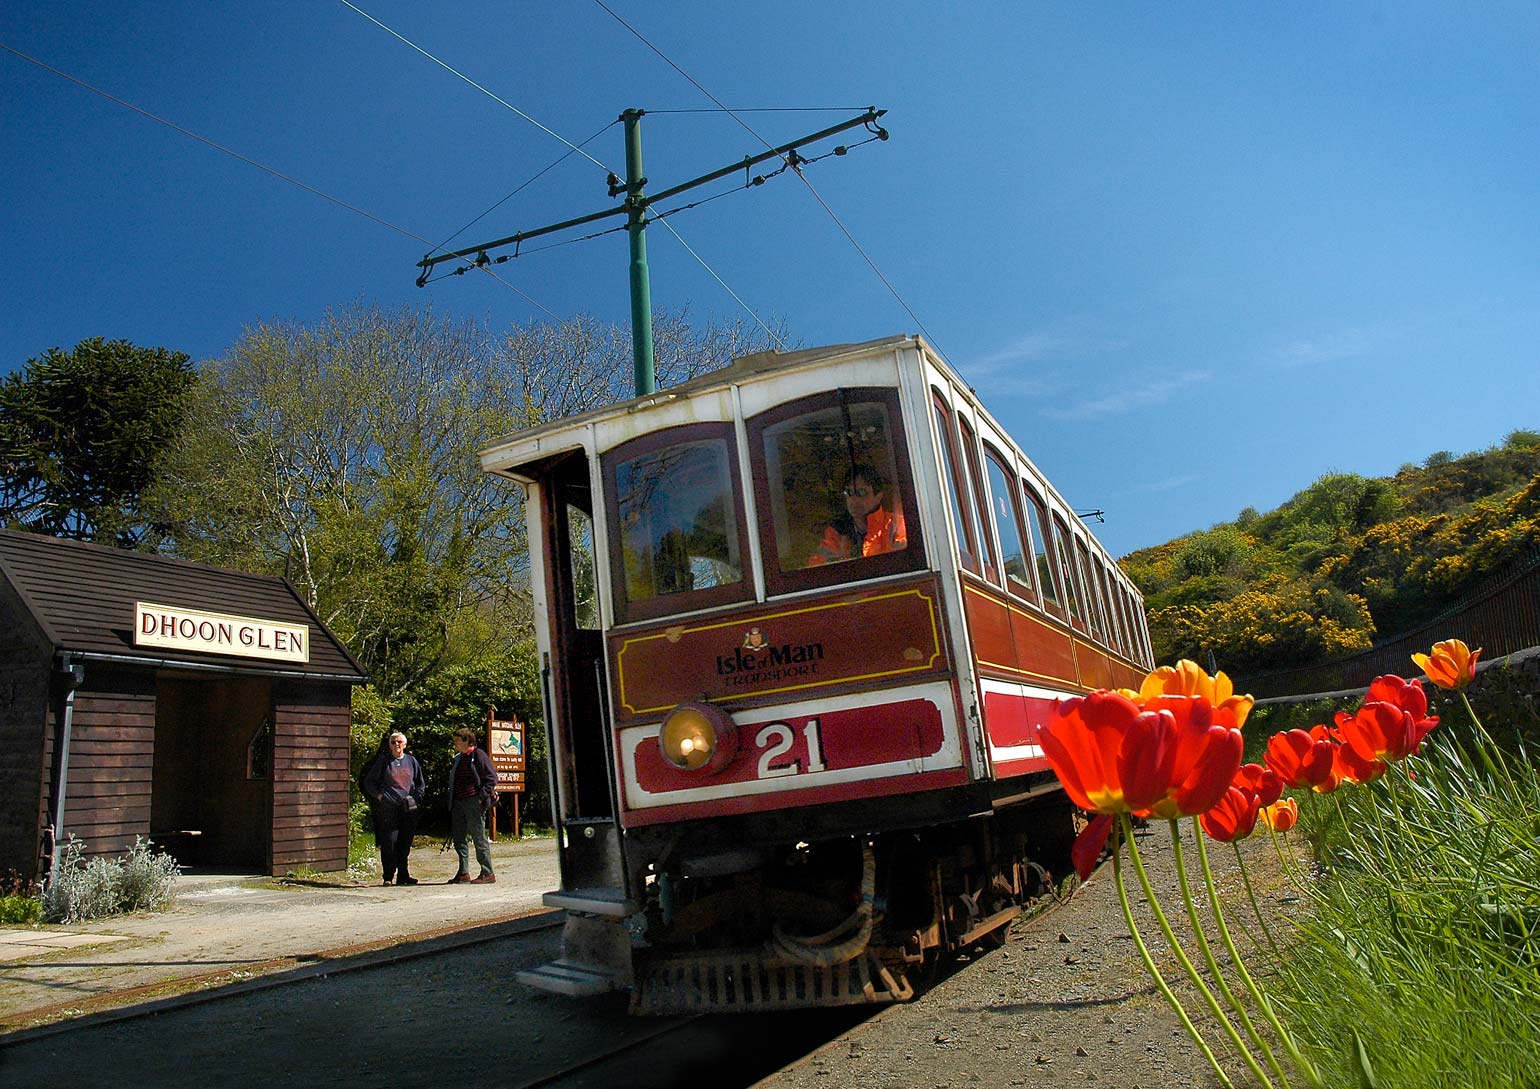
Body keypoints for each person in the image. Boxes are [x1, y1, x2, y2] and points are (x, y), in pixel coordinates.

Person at [807, 464, 908, 567]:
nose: (854, 500)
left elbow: (905, 565)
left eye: (861, 493)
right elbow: (818, 568)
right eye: (849, 493)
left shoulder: (896, 525)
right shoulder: (836, 532)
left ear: (878, 496)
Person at [362, 731, 425, 886]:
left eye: (399, 742)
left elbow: (420, 784)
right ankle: (388, 876)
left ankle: (403, 875)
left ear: (405, 744)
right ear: (389, 745)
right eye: (393, 742)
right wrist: (379, 796)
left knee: (405, 842)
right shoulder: (383, 761)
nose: (396, 745)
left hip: (408, 807)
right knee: (389, 841)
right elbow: (369, 782)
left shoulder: (411, 761)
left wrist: (415, 798)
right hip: (389, 807)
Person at [447, 727, 499, 884]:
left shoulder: (479, 755)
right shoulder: (459, 758)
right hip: (459, 802)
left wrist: (480, 797)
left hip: (473, 801)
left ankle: (487, 872)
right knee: (459, 837)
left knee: (478, 837)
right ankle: (463, 872)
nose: (455, 743)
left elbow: (492, 778)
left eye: (457, 740)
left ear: (466, 740)